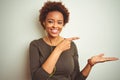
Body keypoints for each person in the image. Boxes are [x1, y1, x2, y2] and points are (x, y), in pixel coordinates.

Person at [29, 1, 119, 80]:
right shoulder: (35, 45)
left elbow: (76, 79)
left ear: (63, 24)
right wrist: (59, 49)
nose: (55, 26)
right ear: (44, 22)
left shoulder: (71, 45)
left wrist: (90, 64)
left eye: (59, 22)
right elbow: (37, 78)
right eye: (50, 21)